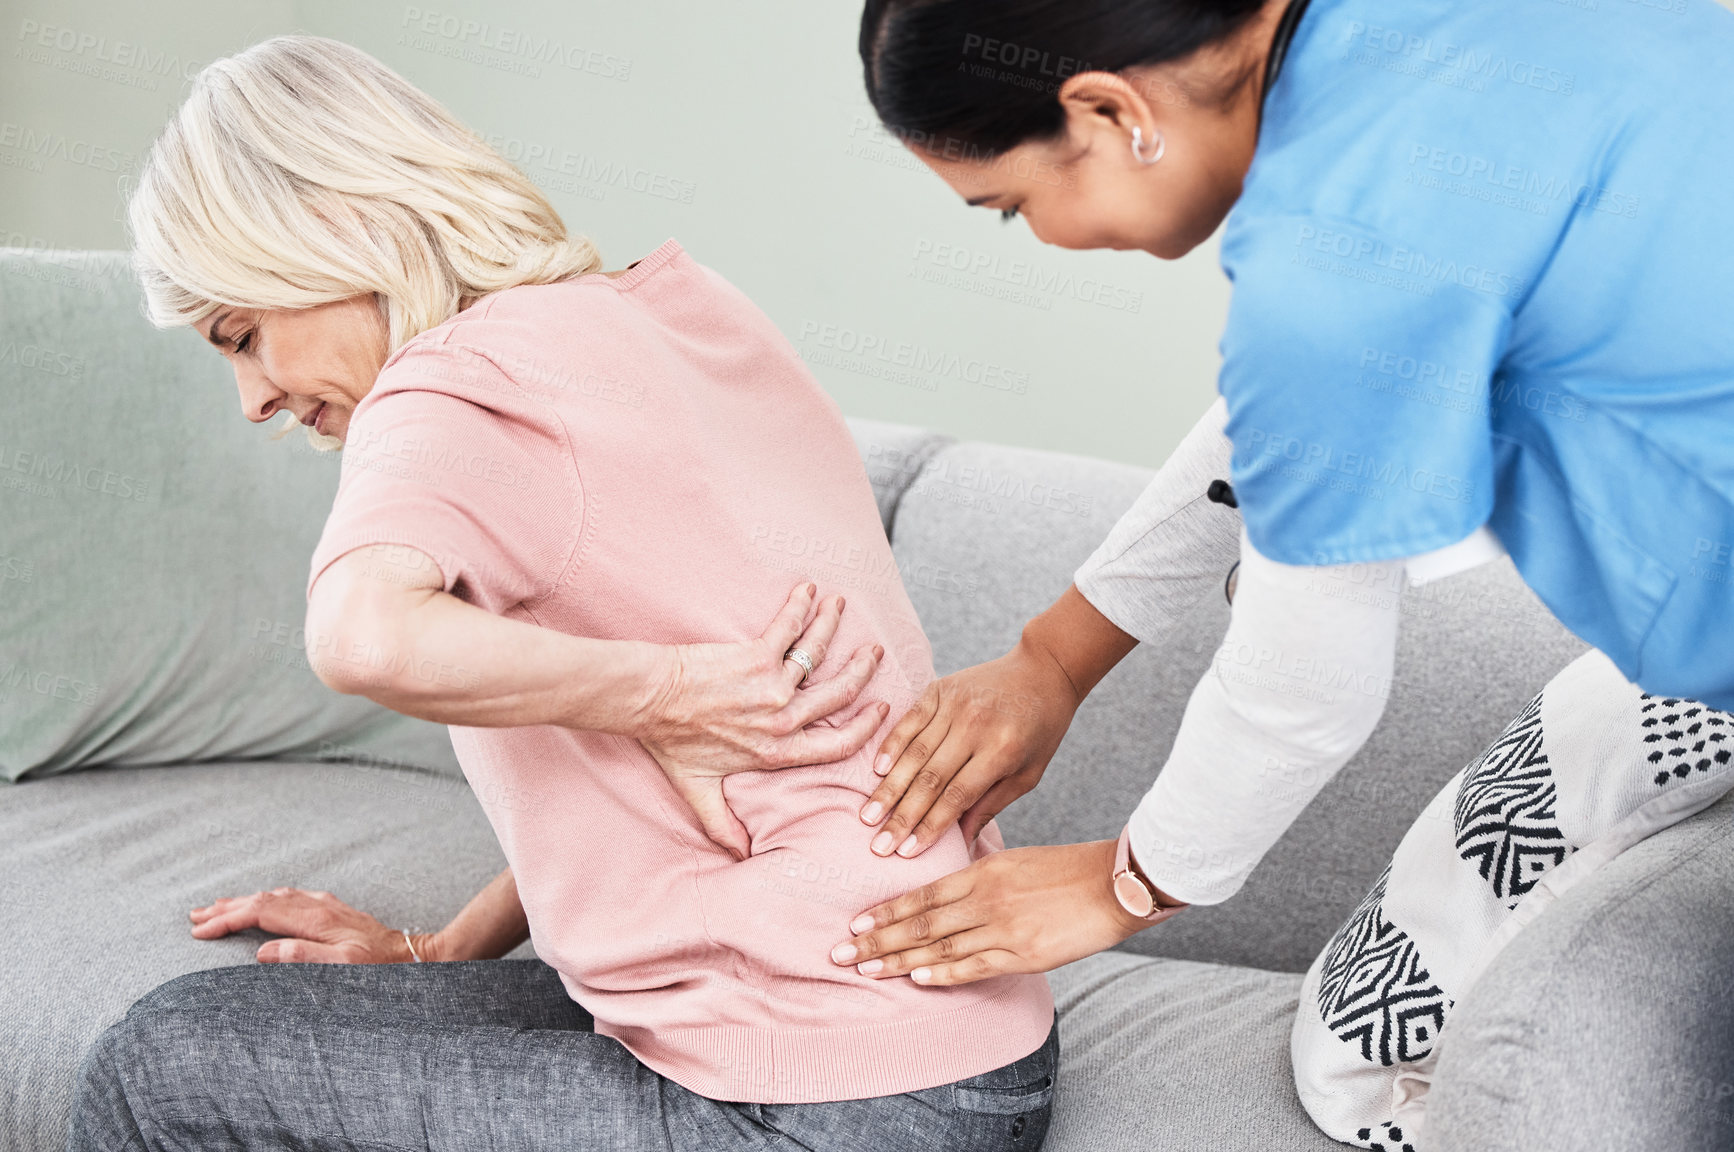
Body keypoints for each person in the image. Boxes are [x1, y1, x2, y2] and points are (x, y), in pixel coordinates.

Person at [66, 35, 1057, 1152]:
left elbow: (360, 636)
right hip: (975, 1052)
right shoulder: (685, 314)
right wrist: (442, 955)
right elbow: (627, 780)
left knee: (169, 1061)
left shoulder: (445, 387)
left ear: (337, 232)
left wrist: (665, 694)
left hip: (828, 1097)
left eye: (243, 335)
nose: (251, 396)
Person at [831, 0, 1734, 986]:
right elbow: (1306, 409)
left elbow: (1301, 689)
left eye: (1012, 204)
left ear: (1104, 112)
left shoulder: (1328, 279)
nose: (1041, 237)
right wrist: (1055, 657)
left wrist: (1122, 887)